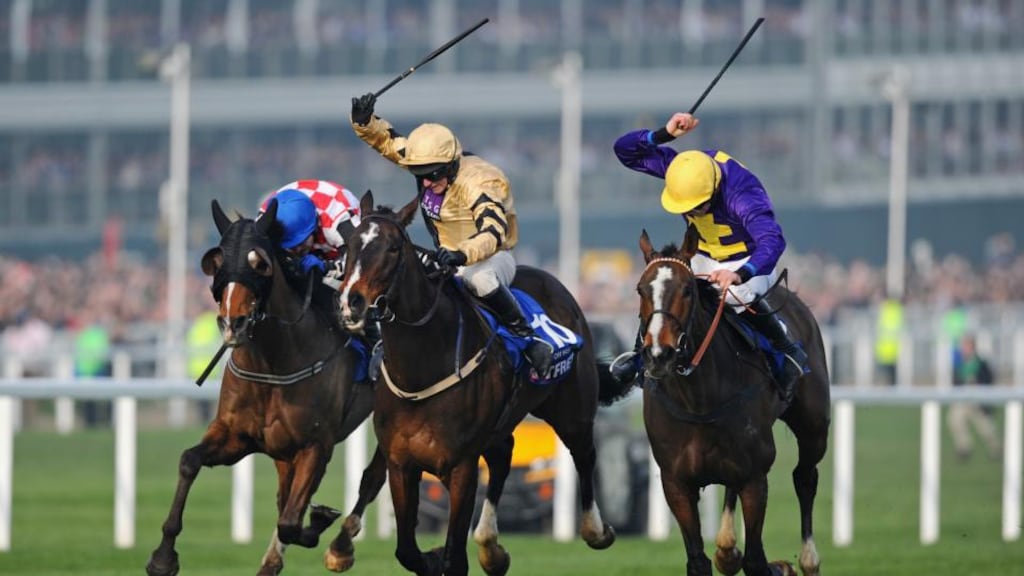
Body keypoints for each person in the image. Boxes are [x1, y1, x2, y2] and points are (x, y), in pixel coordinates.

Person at [349, 92, 554, 377]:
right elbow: (389, 143)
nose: (427, 182)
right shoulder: (429, 166)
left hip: (490, 258)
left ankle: (527, 338)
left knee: (478, 279)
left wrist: (462, 254)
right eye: (421, 175)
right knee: (399, 275)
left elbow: (494, 231)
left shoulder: (481, 182)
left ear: (452, 164)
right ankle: (387, 344)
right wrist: (364, 121)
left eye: (434, 175)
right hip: (447, 256)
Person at [609, 111, 808, 402]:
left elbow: (772, 240)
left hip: (748, 259)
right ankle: (642, 356)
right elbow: (624, 151)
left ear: (713, 190)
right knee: (666, 288)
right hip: (703, 253)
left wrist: (739, 273)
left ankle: (786, 350)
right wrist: (663, 134)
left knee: (735, 295)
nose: (691, 211)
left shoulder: (742, 194)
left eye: (697, 206)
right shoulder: (683, 170)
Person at [261, 181, 383, 381]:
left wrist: (327, 267)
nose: (296, 250)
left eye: (300, 244)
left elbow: (362, 263)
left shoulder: (340, 220)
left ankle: (375, 343)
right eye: (290, 246)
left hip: (348, 252)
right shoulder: (267, 216)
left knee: (351, 294)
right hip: (316, 243)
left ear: (314, 227)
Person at [948, 334, 1001, 461]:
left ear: (972, 346)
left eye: (966, 346)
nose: (963, 349)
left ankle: (997, 449)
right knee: (955, 421)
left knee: (986, 429)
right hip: (963, 401)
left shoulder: (981, 363)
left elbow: (989, 379)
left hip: (979, 401)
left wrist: (978, 384)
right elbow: (955, 382)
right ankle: (964, 449)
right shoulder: (960, 364)